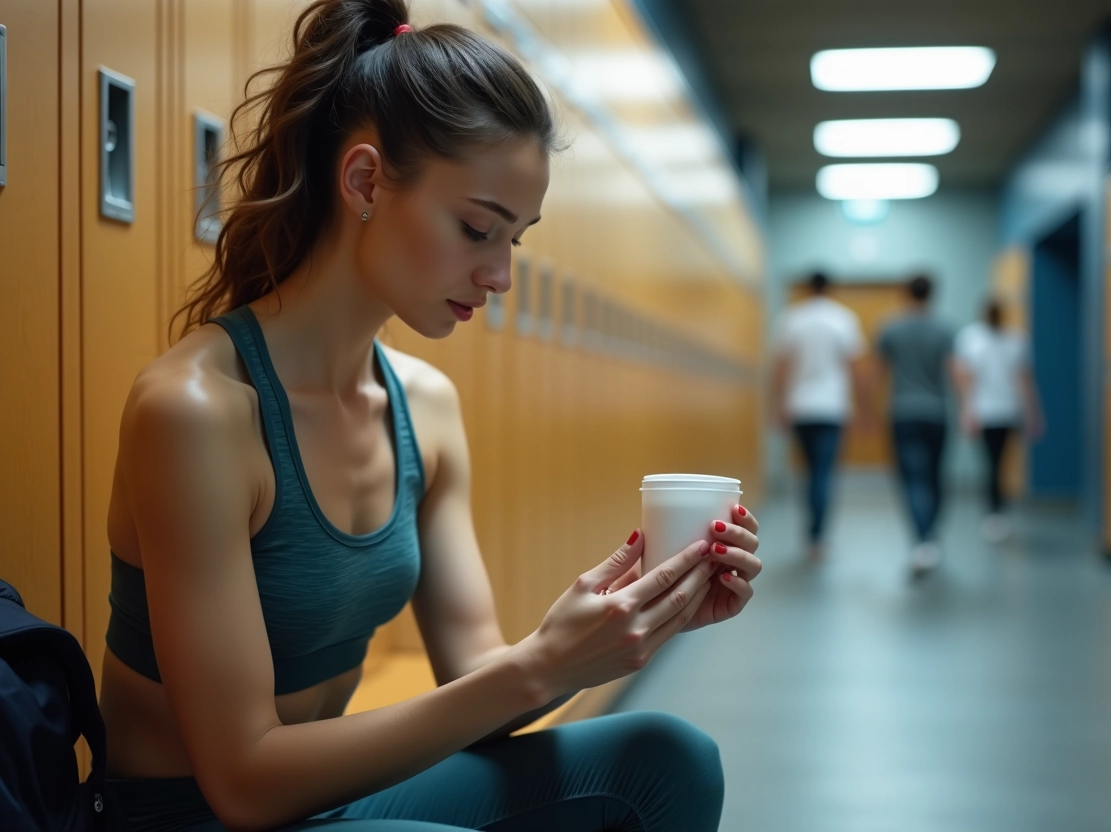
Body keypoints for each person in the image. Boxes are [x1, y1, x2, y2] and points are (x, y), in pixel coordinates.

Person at [98, 2, 762, 829]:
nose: (500, 276)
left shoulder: (425, 408)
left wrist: (631, 620)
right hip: (195, 815)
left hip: (327, 800)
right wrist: (537, 668)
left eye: (515, 240)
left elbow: (480, 678)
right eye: (478, 228)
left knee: (667, 761)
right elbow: (243, 780)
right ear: (366, 181)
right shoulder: (197, 413)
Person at [771, 271, 871, 561]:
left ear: (807, 288)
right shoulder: (843, 319)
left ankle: (810, 532)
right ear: (830, 288)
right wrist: (865, 410)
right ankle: (818, 536)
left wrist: (778, 406)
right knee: (824, 473)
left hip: (800, 407)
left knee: (809, 472)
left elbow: (782, 367)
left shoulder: (792, 318)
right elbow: (854, 366)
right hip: (831, 408)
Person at [877, 275, 955, 577]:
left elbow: (877, 372)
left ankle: (923, 539)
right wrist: (968, 408)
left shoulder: (892, 328)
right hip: (936, 413)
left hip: (903, 414)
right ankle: (930, 535)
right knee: (934, 476)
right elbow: (955, 371)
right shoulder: (944, 330)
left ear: (906, 293)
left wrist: (868, 412)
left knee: (912, 479)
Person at [952, 298, 1043, 542]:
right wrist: (967, 410)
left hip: (1006, 410)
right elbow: (965, 378)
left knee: (999, 463)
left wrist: (1032, 413)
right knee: (993, 462)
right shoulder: (972, 338)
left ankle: (996, 511)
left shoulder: (1015, 339)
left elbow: (1023, 379)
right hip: (985, 411)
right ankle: (994, 512)